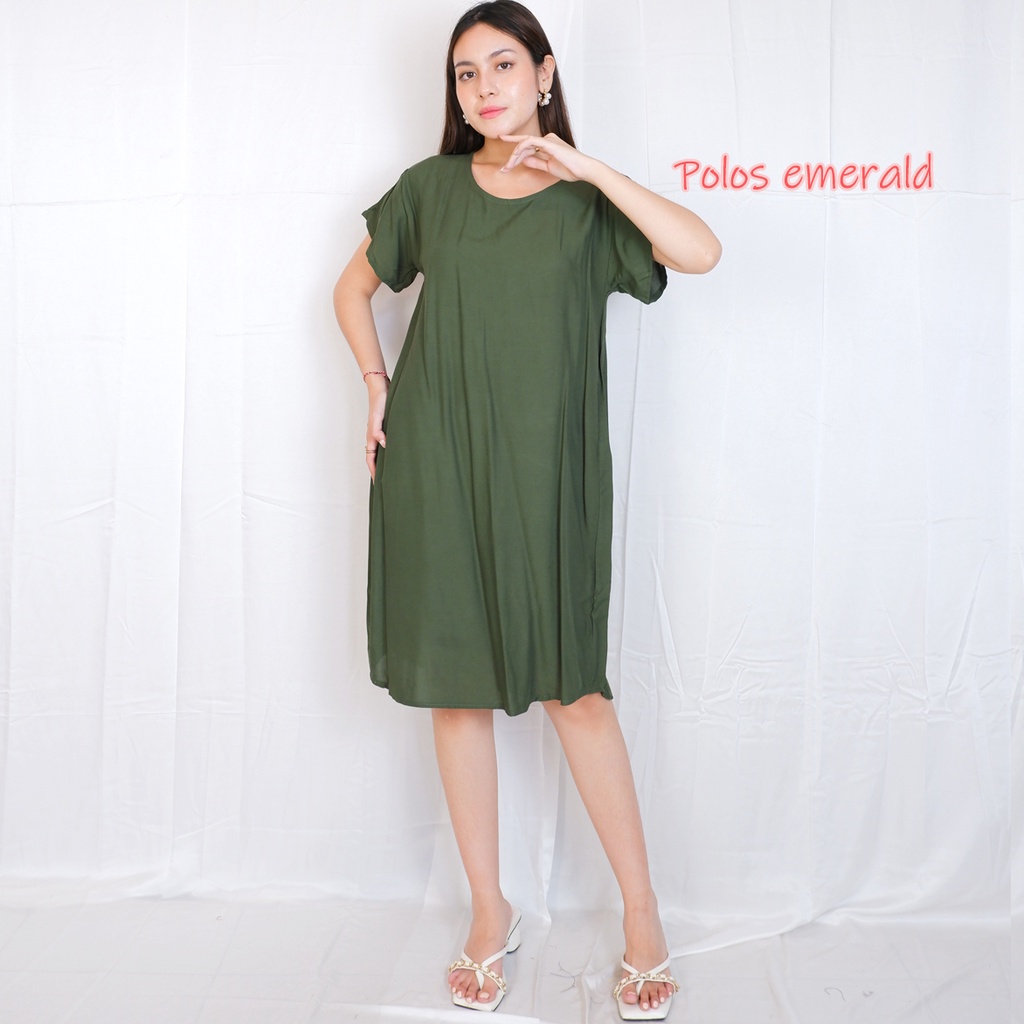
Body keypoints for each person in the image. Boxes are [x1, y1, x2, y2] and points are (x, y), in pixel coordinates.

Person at [333, 1, 720, 1017]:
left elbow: (699, 251)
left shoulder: (589, 203)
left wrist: (583, 167)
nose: (483, 86)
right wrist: (375, 383)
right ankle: (488, 909)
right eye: (466, 73)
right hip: (435, 466)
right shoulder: (428, 190)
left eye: (503, 64)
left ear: (545, 74)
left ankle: (642, 914)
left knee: (573, 692)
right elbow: (350, 290)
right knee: (456, 692)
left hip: (549, 479)